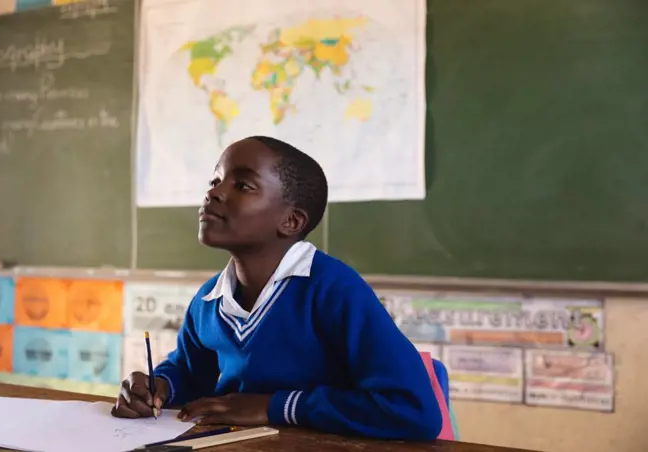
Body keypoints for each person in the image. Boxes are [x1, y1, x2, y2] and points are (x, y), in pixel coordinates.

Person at [111, 136, 443, 440]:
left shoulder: (334, 291)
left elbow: (413, 410)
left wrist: (275, 407)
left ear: (291, 221)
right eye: (214, 180)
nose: (213, 192)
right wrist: (159, 386)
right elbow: (191, 373)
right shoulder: (210, 300)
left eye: (242, 184)